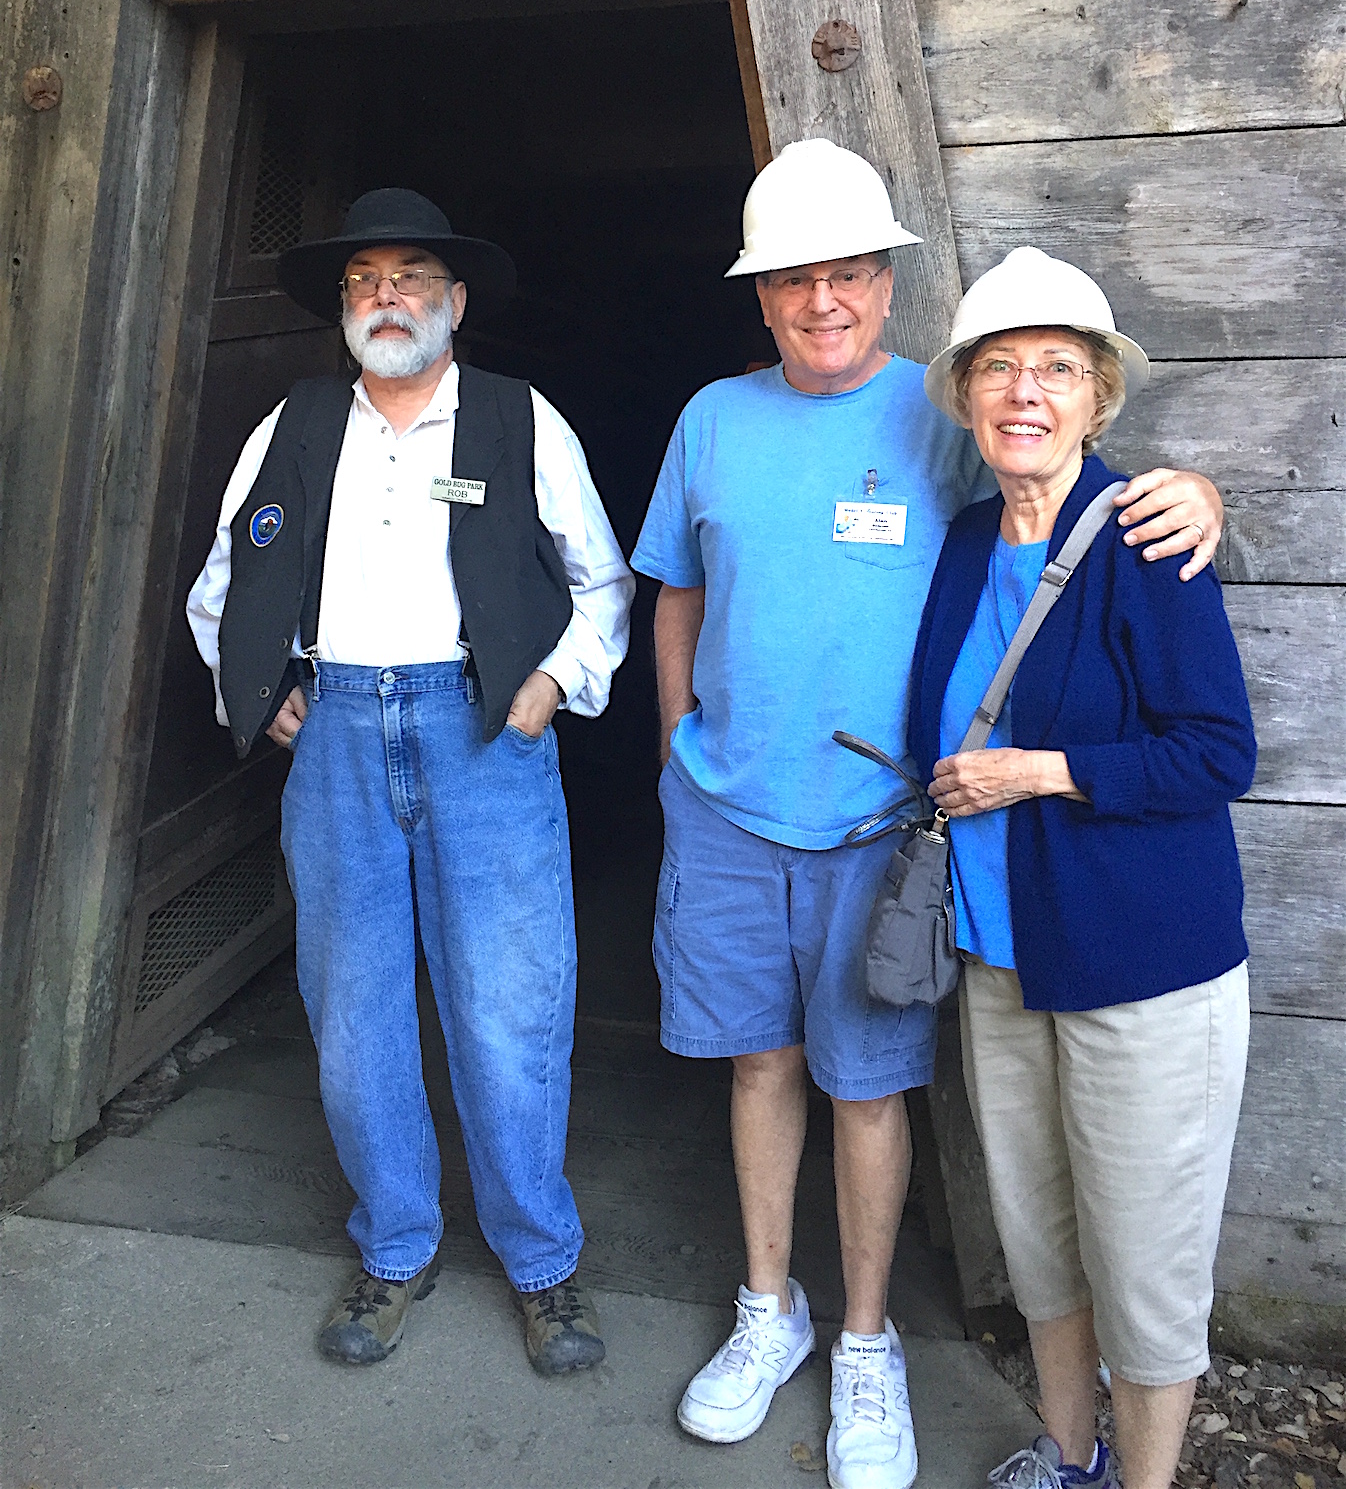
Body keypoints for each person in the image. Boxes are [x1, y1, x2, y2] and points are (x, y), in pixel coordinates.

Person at [630, 140, 1227, 1489]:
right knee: (757, 1065)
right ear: (760, 293)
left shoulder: (939, 409)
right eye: (794, 278)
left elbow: (1061, 480)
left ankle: (863, 1340)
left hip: (879, 826)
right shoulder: (710, 419)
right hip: (726, 811)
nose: (822, 300)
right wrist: (673, 742)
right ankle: (768, 1307)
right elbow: (673, 586)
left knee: (867, 1087)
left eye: (847, 272)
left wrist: (1194, 490)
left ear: (886, 283)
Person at [186, 188, 634, 1376]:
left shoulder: (517, 417)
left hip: (481, 727)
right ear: (345, 307)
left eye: (410, 277)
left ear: (455, 301)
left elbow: (600, 582)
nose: (385, 298)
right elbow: (222, 583)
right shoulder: (291, 426)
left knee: (509, 1003)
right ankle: (394, 1246)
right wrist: (259, 691)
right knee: (355, 1009)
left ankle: (540, 1263)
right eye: (364, 281)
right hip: (336, 727)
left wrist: (549, 686)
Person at [906, 247, 1256, 1489]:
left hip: (1137, 966)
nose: (1023, 391)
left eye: (1056, 368)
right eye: (997, 366)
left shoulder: (1147, 534)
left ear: (1097, 399)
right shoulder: (962, 540)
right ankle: (1067, 1457)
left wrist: (1038, 771)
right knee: (1040, 1245)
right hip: (1001, 958)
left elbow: (1216, 752)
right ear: (963, 394)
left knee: (1144, 1266)